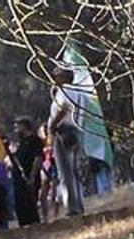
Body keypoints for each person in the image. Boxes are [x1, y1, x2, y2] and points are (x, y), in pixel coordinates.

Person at [47, 67, 86, 216]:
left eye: (56, 75)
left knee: (66, 171)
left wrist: (52, 125)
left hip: (63, 131)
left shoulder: (65, 91)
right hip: (75, 130)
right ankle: (79, 204)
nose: (53, 78)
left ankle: (72, 207)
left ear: (63, 77)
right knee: (74, 171)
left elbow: (63, 108)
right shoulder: (77, 91)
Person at [10, 117, 42, 226]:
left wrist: (32, 175)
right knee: (20, 204)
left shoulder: (35, 140)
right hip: (18, 178)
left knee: (30, 203)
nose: (16, 129)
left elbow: (38, 158)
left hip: (29, 176)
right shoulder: (20, 142)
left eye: (18, 126)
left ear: (24, 126)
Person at [37, 126, 60, 222]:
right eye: (43, 130)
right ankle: (45, 217)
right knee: (42, 195)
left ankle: (56, 215)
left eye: (46, 130)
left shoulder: (54, 140)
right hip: (45, 168)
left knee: (54, 193)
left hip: (54, 167)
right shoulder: (40, 143)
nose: (45, 132)